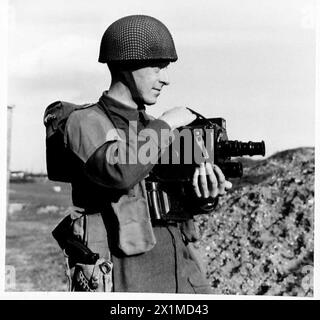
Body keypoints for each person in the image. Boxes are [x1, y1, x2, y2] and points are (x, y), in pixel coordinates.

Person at [60, 14, 232, 293]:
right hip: (125, 275)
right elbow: (120, 172)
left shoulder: (151, 127)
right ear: (127, 65)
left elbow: (170, 199)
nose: (166, 79)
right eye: (158, 67)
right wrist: (166, 123)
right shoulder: (86, 121)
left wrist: (204, 196)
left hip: (181, 268)